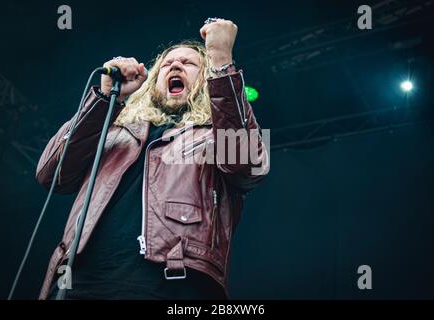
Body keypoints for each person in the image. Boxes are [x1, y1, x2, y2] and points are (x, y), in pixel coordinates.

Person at [36, 18, 269, 300]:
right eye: (167, 64)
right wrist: (103, 99)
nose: (175, 66)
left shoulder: (214, 135)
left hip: (171, 284)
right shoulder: (115, 130)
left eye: (189, 63)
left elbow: (248, 164)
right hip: (79, 283)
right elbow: (51, 173)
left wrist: (221, 62)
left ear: (205, 79)